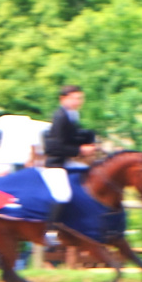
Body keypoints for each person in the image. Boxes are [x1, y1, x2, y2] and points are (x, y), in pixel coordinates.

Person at [42, 85, 97, 226]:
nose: (78, 102)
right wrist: (80, 150)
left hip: (68, 161)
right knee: (62, 195)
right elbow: (57, 146)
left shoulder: (72, 114)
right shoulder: (60, 116)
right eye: (74, 98)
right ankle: (51, 230)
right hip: (56, 163)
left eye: (80, 98)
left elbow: (73, 138)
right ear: (63, 99)